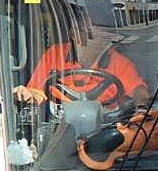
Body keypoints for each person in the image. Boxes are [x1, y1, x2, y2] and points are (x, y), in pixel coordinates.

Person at [13, 20, 150, 112]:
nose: (96, 37)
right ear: (73, 34)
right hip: (60, 126)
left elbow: (138, 89)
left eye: (101, 32)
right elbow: (37, 91)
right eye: (89, 31)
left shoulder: (119, 62)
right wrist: (28, 94)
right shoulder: (54, 54)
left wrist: (142, 106)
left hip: (104, 126)